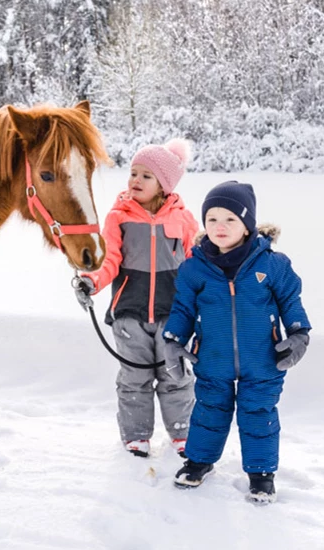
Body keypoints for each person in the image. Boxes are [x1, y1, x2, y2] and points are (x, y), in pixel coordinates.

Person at [161, 180, 311, 504]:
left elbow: (291, 302)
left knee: (258, 412)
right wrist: (173, 340)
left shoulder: (273, 264)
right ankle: (199, 461)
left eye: (230, 219)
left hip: (264, 358)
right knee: (209, 410)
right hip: (213, 356)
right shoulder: (194, 268)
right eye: (212, 219)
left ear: (247, 224)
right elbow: (183, 309)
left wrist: (299, 334)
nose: (219, 226)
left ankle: (261, 474)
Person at [73, 140, 199, 459]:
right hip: (130, 313)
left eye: (146, 176)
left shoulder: (183, 219)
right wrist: (91, 281)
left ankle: (183, 433)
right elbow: (109, 259)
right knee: (135, 377)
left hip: (174, 315)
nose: (135, 181)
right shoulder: (120, 217)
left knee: (176, 376)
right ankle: (137, 434)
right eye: (133, 173)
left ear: (164, 185)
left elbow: (196, 263)